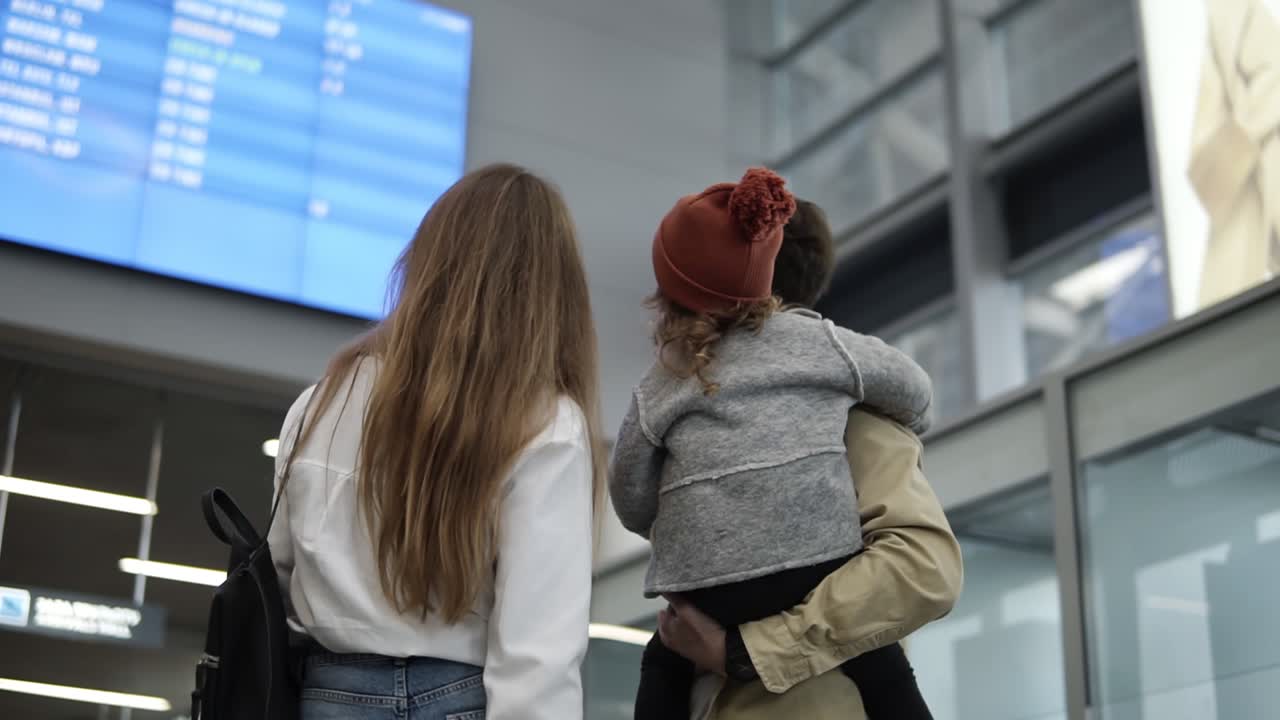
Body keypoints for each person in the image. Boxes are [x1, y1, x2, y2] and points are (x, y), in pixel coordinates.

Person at [267, 164, 605, 720]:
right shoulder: (545, 422)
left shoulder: (323, 402)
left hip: (325, 694)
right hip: (456, 699)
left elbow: (278, 583)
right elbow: (538, 659)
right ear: (551, 290)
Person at [609, 168, 936, 719]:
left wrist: (677, 523)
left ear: (667, 293)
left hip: (708, 588)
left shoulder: (665, 378)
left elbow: (629, 494)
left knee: (664, 659)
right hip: (816, 567)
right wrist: (895, 416)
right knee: (879, 659)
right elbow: (915, 389)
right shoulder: (823, 345)